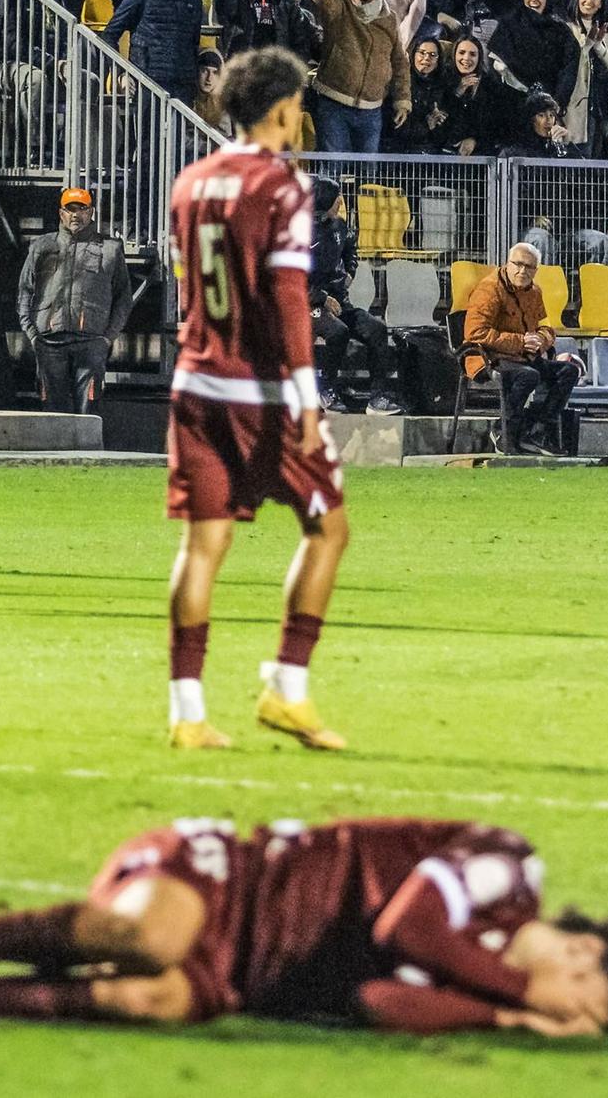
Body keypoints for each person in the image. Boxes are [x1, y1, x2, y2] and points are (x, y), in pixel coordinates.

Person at [0, 814, 608, 1039]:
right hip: (232, 877)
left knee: (149, 998)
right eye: (582, 995)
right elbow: (414, 920)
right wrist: (520, 991)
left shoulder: (473, 985)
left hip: (248, 973)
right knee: (147, 940)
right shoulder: (509, 866)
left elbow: (380, 996)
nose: (565, 1009)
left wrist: (501, 1017)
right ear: (582, 948)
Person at [160, 47, 348, 752]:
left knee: (203, 544)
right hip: (261, 391)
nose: (301, 117)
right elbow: (289, 298)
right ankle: (287, 687)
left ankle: (187, 711)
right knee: (327, 528)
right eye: (299, 105)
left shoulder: (191, 180)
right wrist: (306, 397)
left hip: (195, 381)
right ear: (279, 109)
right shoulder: (282, 186)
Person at [15, 188, 133, 417]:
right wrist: (32, 335)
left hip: (91, 341)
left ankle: (88, 453)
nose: (76, 215)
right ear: (61, 214)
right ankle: (54, 454)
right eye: (70, 209)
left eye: (82, 209)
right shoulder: (41, 246)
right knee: (52, 414)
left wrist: (107, 338)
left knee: (88, 412)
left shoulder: (110, 249)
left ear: (92, 213)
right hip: (49, 341)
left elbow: (123, 298)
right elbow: (24, 292)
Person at [463, 243, 577, 455]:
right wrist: (520, 341)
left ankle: (536, 431)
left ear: (536, 270)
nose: (523, 271)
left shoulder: (535, 292)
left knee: (568, 371)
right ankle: (502, 430)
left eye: (529, 267)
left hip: (525, 357)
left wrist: (540, 340)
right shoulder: (489, 289)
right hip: (489, 357)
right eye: (518, 264)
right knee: (528, 375)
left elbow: (546, 327)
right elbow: (475, 333)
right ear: (508, 263)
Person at [308, 177, 399, 414]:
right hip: (310, 306)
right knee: (338, 331)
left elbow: (351, 248)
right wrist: (321, 298)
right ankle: (325, 389)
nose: (341, 202)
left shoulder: (339, 226)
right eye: (336, 198)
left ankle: (377, 398)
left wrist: (350, 270)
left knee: (376, 328)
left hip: (340, 303)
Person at [310, 0, 409, 153]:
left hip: (372, 110)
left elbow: (399, 61)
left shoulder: (389, 20)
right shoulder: (339, 8)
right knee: (333, 168)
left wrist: (402, 100)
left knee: (367, 173)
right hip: (334, 104)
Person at [99, 0, 204, 102]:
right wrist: (121, 73)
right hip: (146, 82)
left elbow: (193, 43)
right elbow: (109, 35)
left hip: (183, 84)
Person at [557, 0, 608, 153]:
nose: (589, 1)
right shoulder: (565, 27)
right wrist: (586, 46)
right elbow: (567, 68)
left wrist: (599, 47)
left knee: (605, 160)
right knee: (582, 158)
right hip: (577, 106)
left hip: (606, 103)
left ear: (601, 2)